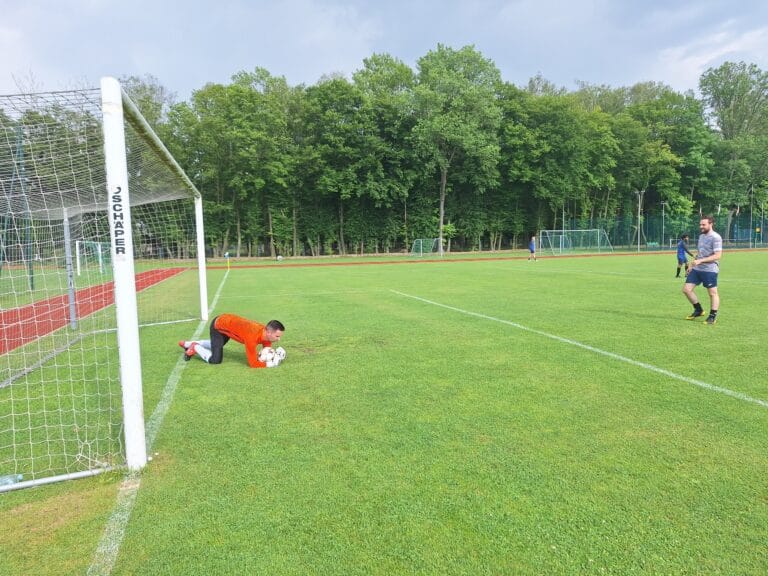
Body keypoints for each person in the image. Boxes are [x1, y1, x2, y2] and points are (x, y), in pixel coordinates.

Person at [179, 315, 285, 367]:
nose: (278, 339)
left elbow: (267, 348)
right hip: (218, 325)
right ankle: (194, 347)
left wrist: (274, 354)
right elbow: (253, 363)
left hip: (227, 323)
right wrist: (270, 364)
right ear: (269, 332)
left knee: (218, 345)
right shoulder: (252, 337)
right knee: (215, 360)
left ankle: (187, 344)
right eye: (277, 336)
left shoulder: (265, 333)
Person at [682, 216, 722, 324]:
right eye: (700, 224)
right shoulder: (701, 237)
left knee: (712, 293)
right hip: (697, 268)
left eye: (703, 225)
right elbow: (700, 253)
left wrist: (701, 261)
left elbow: (718, 255)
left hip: (710, 269)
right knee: (686, 290)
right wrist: (691, 265)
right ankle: (698, 310)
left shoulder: (716, 237)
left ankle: (712, 317)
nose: (701, 227)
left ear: (711, 224)